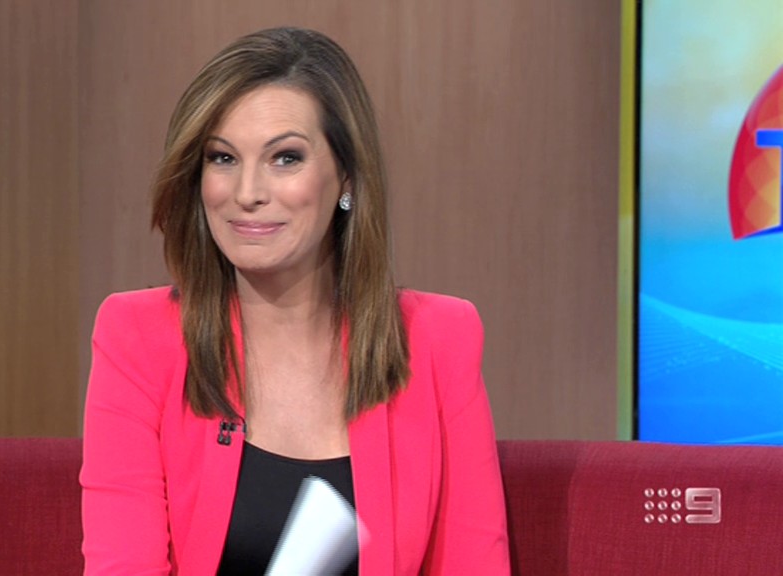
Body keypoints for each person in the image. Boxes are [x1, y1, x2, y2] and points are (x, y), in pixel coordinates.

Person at [80, 27, 509, 575]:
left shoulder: (438, 339)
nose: (247, 193)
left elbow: (473, 561)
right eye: (223, 158)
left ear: (346, 177)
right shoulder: (138, 337)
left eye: (285, 158)